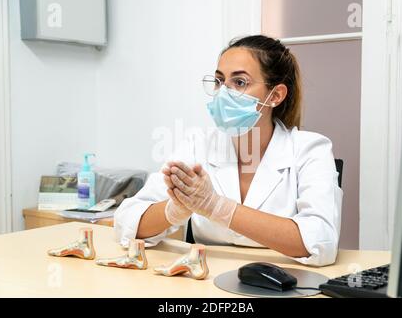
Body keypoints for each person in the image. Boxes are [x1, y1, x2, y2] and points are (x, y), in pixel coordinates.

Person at [114, 35, 342, 267]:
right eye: (219, 81)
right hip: (207, 284)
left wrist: (216, 207)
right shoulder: (197, 144)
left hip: (282, 284)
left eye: (240, 82)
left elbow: (320, 241)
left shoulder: (310, 149)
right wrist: (174, 210)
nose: (224, 93)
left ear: (275, 95)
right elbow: (126, 221)